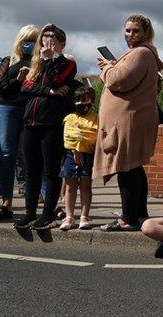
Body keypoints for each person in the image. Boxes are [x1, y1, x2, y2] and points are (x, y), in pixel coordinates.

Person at [95, 14, 163, 232]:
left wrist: (107, 68)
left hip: (129, 121)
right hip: (130, 119)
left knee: (125, 167)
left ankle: (128, 218)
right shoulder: (139, 53)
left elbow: (118, 80)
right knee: (132, 168)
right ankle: (138, 214)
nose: (130, 34)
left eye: (135, 31)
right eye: (127, 30)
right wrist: (115, 65)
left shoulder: (142, 53)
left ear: (145, 33)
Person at [15, 24, 76, 230]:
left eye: (53, 39)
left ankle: (47, 213)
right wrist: (49, 91)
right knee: (31, 171)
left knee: (50, 171)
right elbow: (25, 87)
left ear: (62, 43)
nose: (47, 42)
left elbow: (57, 80)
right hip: (30, 122)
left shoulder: (67, 63)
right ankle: (29, 213)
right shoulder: (35, 63)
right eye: (45, 38)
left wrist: (51, 60)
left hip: (51, 123)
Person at [0, 25, 39, 220]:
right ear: (19, 41)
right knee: (6, 154)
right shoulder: (9, 61)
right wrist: (18, 79)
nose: (29, 44)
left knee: (29, 154)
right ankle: (6, 202)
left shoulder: (40, 62)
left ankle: (34, 202)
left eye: (34, 40)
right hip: (8, 109)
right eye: (27, 40)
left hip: (30, 110)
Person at [59, 86, 97, 231]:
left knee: (86, 185)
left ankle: (84, 216)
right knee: (70, 186)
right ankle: (69, 216)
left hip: (88, 155)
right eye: (78, 100)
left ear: (92, 101)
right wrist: (76, 150)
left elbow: (93, 135)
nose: (81, 103)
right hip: (71, 154)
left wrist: (82, 144)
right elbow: (68, 136)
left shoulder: (96, 118)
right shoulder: (70, 118)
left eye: (85, 100)